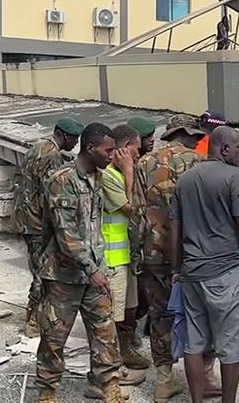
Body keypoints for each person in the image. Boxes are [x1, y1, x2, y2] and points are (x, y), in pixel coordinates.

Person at [170, 126, 239, 403]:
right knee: (232, 344)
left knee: (194, 343)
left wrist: (176, 268)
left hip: (192, 274)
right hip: (225, 275)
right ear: (224, 148)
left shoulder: (185, 180)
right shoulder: (233, 176)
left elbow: (176, 228)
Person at [35, 123, 124, 403]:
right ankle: (48, 391)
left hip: (94, 272)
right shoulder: (63, 180)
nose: (112, 155)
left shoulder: (100, 178)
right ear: (89, 148)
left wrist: (100, 267)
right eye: (107, 150)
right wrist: (92, 268)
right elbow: (66, 234)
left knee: (105, 331)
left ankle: (107, 384)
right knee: (54, 335)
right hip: (64, 275)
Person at [133, 114, 203, 402]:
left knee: (159, 314)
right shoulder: (197, 163)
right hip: (190, 253)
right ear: (187, 134)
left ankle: (164, 381)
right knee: (197, 314)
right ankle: (203, 378)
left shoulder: (143, 163)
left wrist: (137, 251)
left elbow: (136, 210)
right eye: (197, 137)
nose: (199, 141)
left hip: (152, 252)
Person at [14, 117, 83, 337]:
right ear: (63, 135)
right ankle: (33, 321)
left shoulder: (37, 147)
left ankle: (35, 319)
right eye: (74, 139)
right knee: (42, 271)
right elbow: (52, 191)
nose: (75, 143)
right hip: (37, 222)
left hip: (24, 217)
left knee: (36, 267)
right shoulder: (53, 157)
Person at [95, 124, 149, 394]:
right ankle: (111, 367)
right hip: (112, 258)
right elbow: (131, 210)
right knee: (112, 316)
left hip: (127, 254)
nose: (138, 156)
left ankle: (124, 351)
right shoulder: (108, 176)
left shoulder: (121, 173)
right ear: (125, 148)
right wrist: (129, 171)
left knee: (129, 309)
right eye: (136, 150)